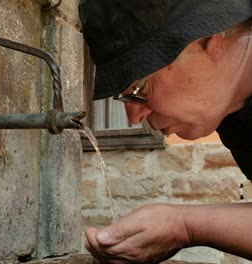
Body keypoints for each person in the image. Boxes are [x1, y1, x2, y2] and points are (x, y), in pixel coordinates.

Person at [79, 0, 252, 263]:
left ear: (208, 39)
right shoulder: (231, 113)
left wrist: (184, 225)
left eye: (140, 91)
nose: (135, 117)